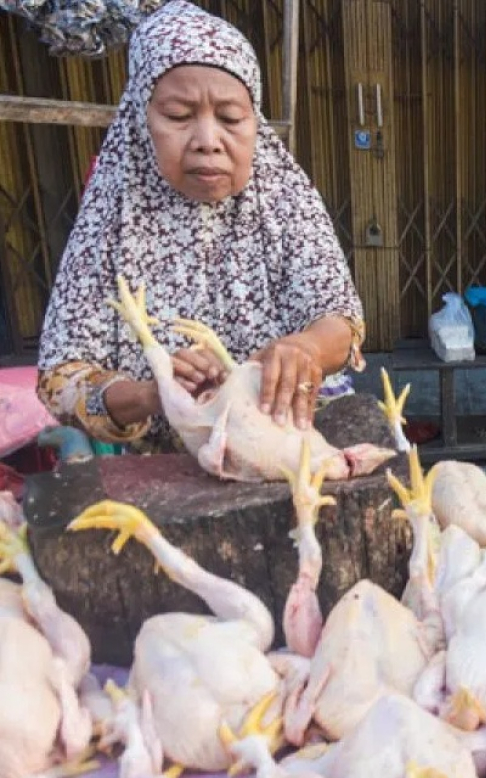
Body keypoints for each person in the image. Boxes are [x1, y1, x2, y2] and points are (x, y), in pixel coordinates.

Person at [37, 1, 364, 453]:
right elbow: (62, 377)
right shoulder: (115, 213)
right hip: (163, 469)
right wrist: (153, 395)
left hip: (287, 443)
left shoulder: (283, 197)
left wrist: (305, 349)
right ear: (140, 119)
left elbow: (338, 319)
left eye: (231, 118)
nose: (208, 141)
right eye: (177, 116)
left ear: (254, 120)